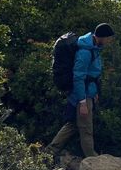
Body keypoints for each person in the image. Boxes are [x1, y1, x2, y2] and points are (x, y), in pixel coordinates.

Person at [47, 23, 115, 158]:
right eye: (109, 38)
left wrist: (95, 92)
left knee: (73, 124)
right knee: (86, 128)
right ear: (102, 37)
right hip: (82, 94)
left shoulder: (93, 47)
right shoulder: (85, 52)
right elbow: (78, 77)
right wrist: (83, 102)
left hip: (87, 92)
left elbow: (92, 74)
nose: (110, 41)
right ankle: (92, 159)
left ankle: (49, 152)